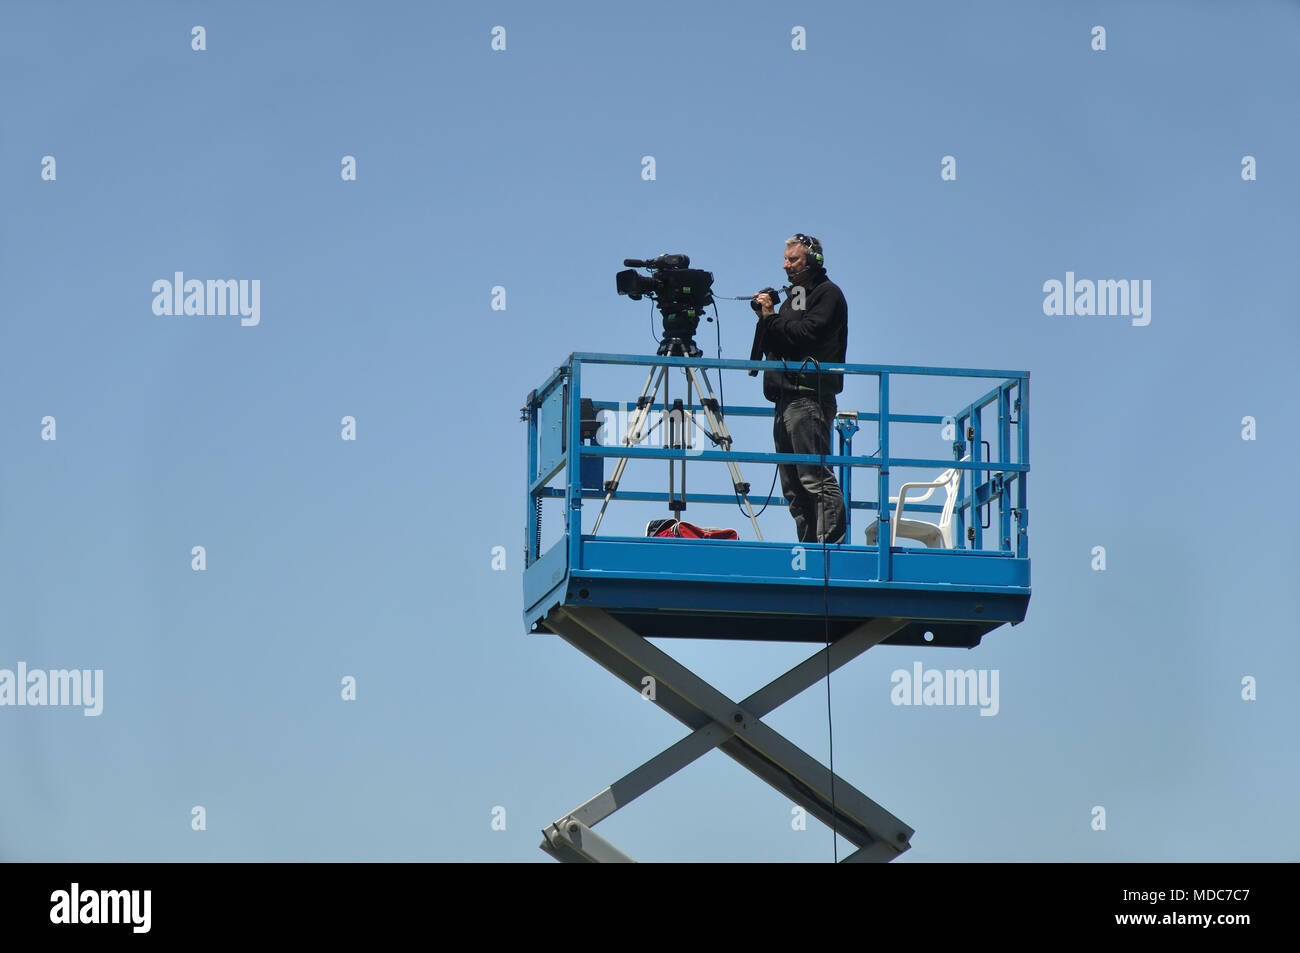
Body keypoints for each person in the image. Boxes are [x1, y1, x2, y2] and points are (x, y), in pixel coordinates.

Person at [753, 234, 847, 544]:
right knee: (793, 487)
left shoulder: (827, 293)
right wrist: (766, 320)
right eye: (785, 259)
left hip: (808, 397)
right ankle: (807, 548)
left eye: (793, 259)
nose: (785, 265)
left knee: (814, 478)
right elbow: (782, 336)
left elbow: (805, 335)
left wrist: (770, 317)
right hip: (784, 399)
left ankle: (828, 549)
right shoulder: (796, 295)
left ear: (813, 261)